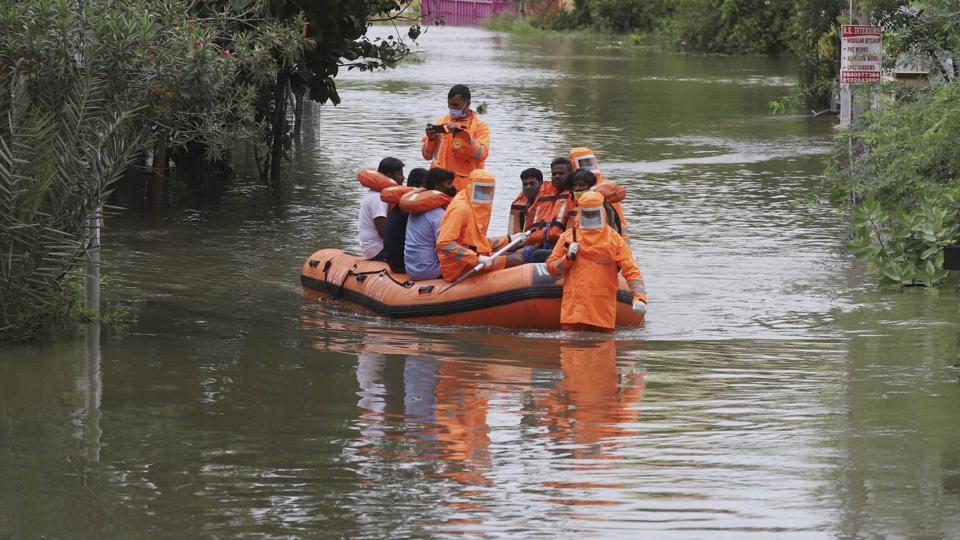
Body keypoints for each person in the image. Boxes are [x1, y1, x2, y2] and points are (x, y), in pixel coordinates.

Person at [546, 191, 647, 333]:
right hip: (574, 311)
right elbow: (551, 268)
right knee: (571, 352)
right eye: (587, 214)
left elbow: (631, 270)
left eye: (594, 213)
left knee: (601, 352)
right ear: (580, 213)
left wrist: (640, 298)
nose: (590, 218)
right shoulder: (569, 237)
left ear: (602, 212)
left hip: (601, 313)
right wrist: (567, 258)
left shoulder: (614, 240)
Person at [436, 169, 523, 282]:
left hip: (471, 258)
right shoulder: (461, 209)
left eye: (488, 190)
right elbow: (444, 243)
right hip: (458, 267)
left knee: (517, 253)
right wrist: (476, 259)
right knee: (517, 260)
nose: (484, 193)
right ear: (471, 186)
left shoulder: (474, 205)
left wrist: (509, 239)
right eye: (481, 189)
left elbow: (478, 242)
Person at [421, 85, 490, 191]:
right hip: (437, 184)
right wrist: (431, 139)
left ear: (467, 103)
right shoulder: (441, 121)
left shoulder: (480, 127)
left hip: (463, 187)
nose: (452, 108)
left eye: (456, 105)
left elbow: (482, 154)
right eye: (449, 105)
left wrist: (461, 134)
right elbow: (427, 156)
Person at [515, 157, 576, 263]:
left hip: (561, 246)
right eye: (554, 174)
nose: (557, 176)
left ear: (570, 175)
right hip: (539, 242)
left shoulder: (576, 195)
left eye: (561, 173)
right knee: (521, 252)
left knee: (530, 254)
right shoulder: (543, 192)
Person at [403, 168, 457, 281]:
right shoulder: (437, 214)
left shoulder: (416, 210)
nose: (452, 187)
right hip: (429, 270)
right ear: (437, 187)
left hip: (412, 269)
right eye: (448, 184)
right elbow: (446, 247)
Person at [568, 147, 629, 237]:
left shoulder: (600, 191)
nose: (578, 187)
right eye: (585, 163)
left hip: (609, 240)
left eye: (588, 163)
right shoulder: (606, 186)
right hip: (618, 238)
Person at [382, 168, 428, 273]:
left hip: (394, 260)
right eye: (427, 186)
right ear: (418, 186)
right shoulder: (413, 210)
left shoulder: (402, 204)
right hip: (403, 264)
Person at [358, 157, 404, 260]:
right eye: (400, 174)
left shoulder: (378, 193)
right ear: (389, 175)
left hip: (374, 247)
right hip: (377, 250)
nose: (403, 178)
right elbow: (383, 232)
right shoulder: (379, 198)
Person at [570, 168, 623, 234]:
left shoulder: (601, 207)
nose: (577, 188)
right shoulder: (577, 204)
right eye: (575, 185)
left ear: (591, 187)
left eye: (582, 185)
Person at [508, 167, 544, 236]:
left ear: (541, 183)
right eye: (525, 184)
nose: (528, 187)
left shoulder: (548, 204)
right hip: (519, 242)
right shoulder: (518, 204)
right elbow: (511, 234)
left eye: (532, 183)